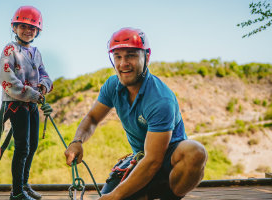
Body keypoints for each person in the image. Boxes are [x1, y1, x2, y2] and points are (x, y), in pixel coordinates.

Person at [64, 27, 207, 200]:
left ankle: (167, 196)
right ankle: (146, 195)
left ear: (146, 56)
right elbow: (92, 118)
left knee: (195, 152)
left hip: (169, 161)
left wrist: (116, 196)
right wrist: (77, 141)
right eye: (118, 57)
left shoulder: (160, 99)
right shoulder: (112, 85)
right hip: (141, 160)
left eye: (131, 55)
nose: (123, 63)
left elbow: (154, 160)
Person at [0, 5, 53, 200]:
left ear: (37, 31)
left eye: (32, 28)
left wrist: (44, 86)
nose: (27, 31)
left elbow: (44, 74)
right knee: (22, 146)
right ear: (14, 27)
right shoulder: (10, 50)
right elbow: (7, 78)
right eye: (22, 26)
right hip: (17, 104)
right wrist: (30, 93)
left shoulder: (36, 53)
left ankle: (24, 184)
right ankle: (17, 192)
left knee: (33, 144)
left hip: (31, 105)